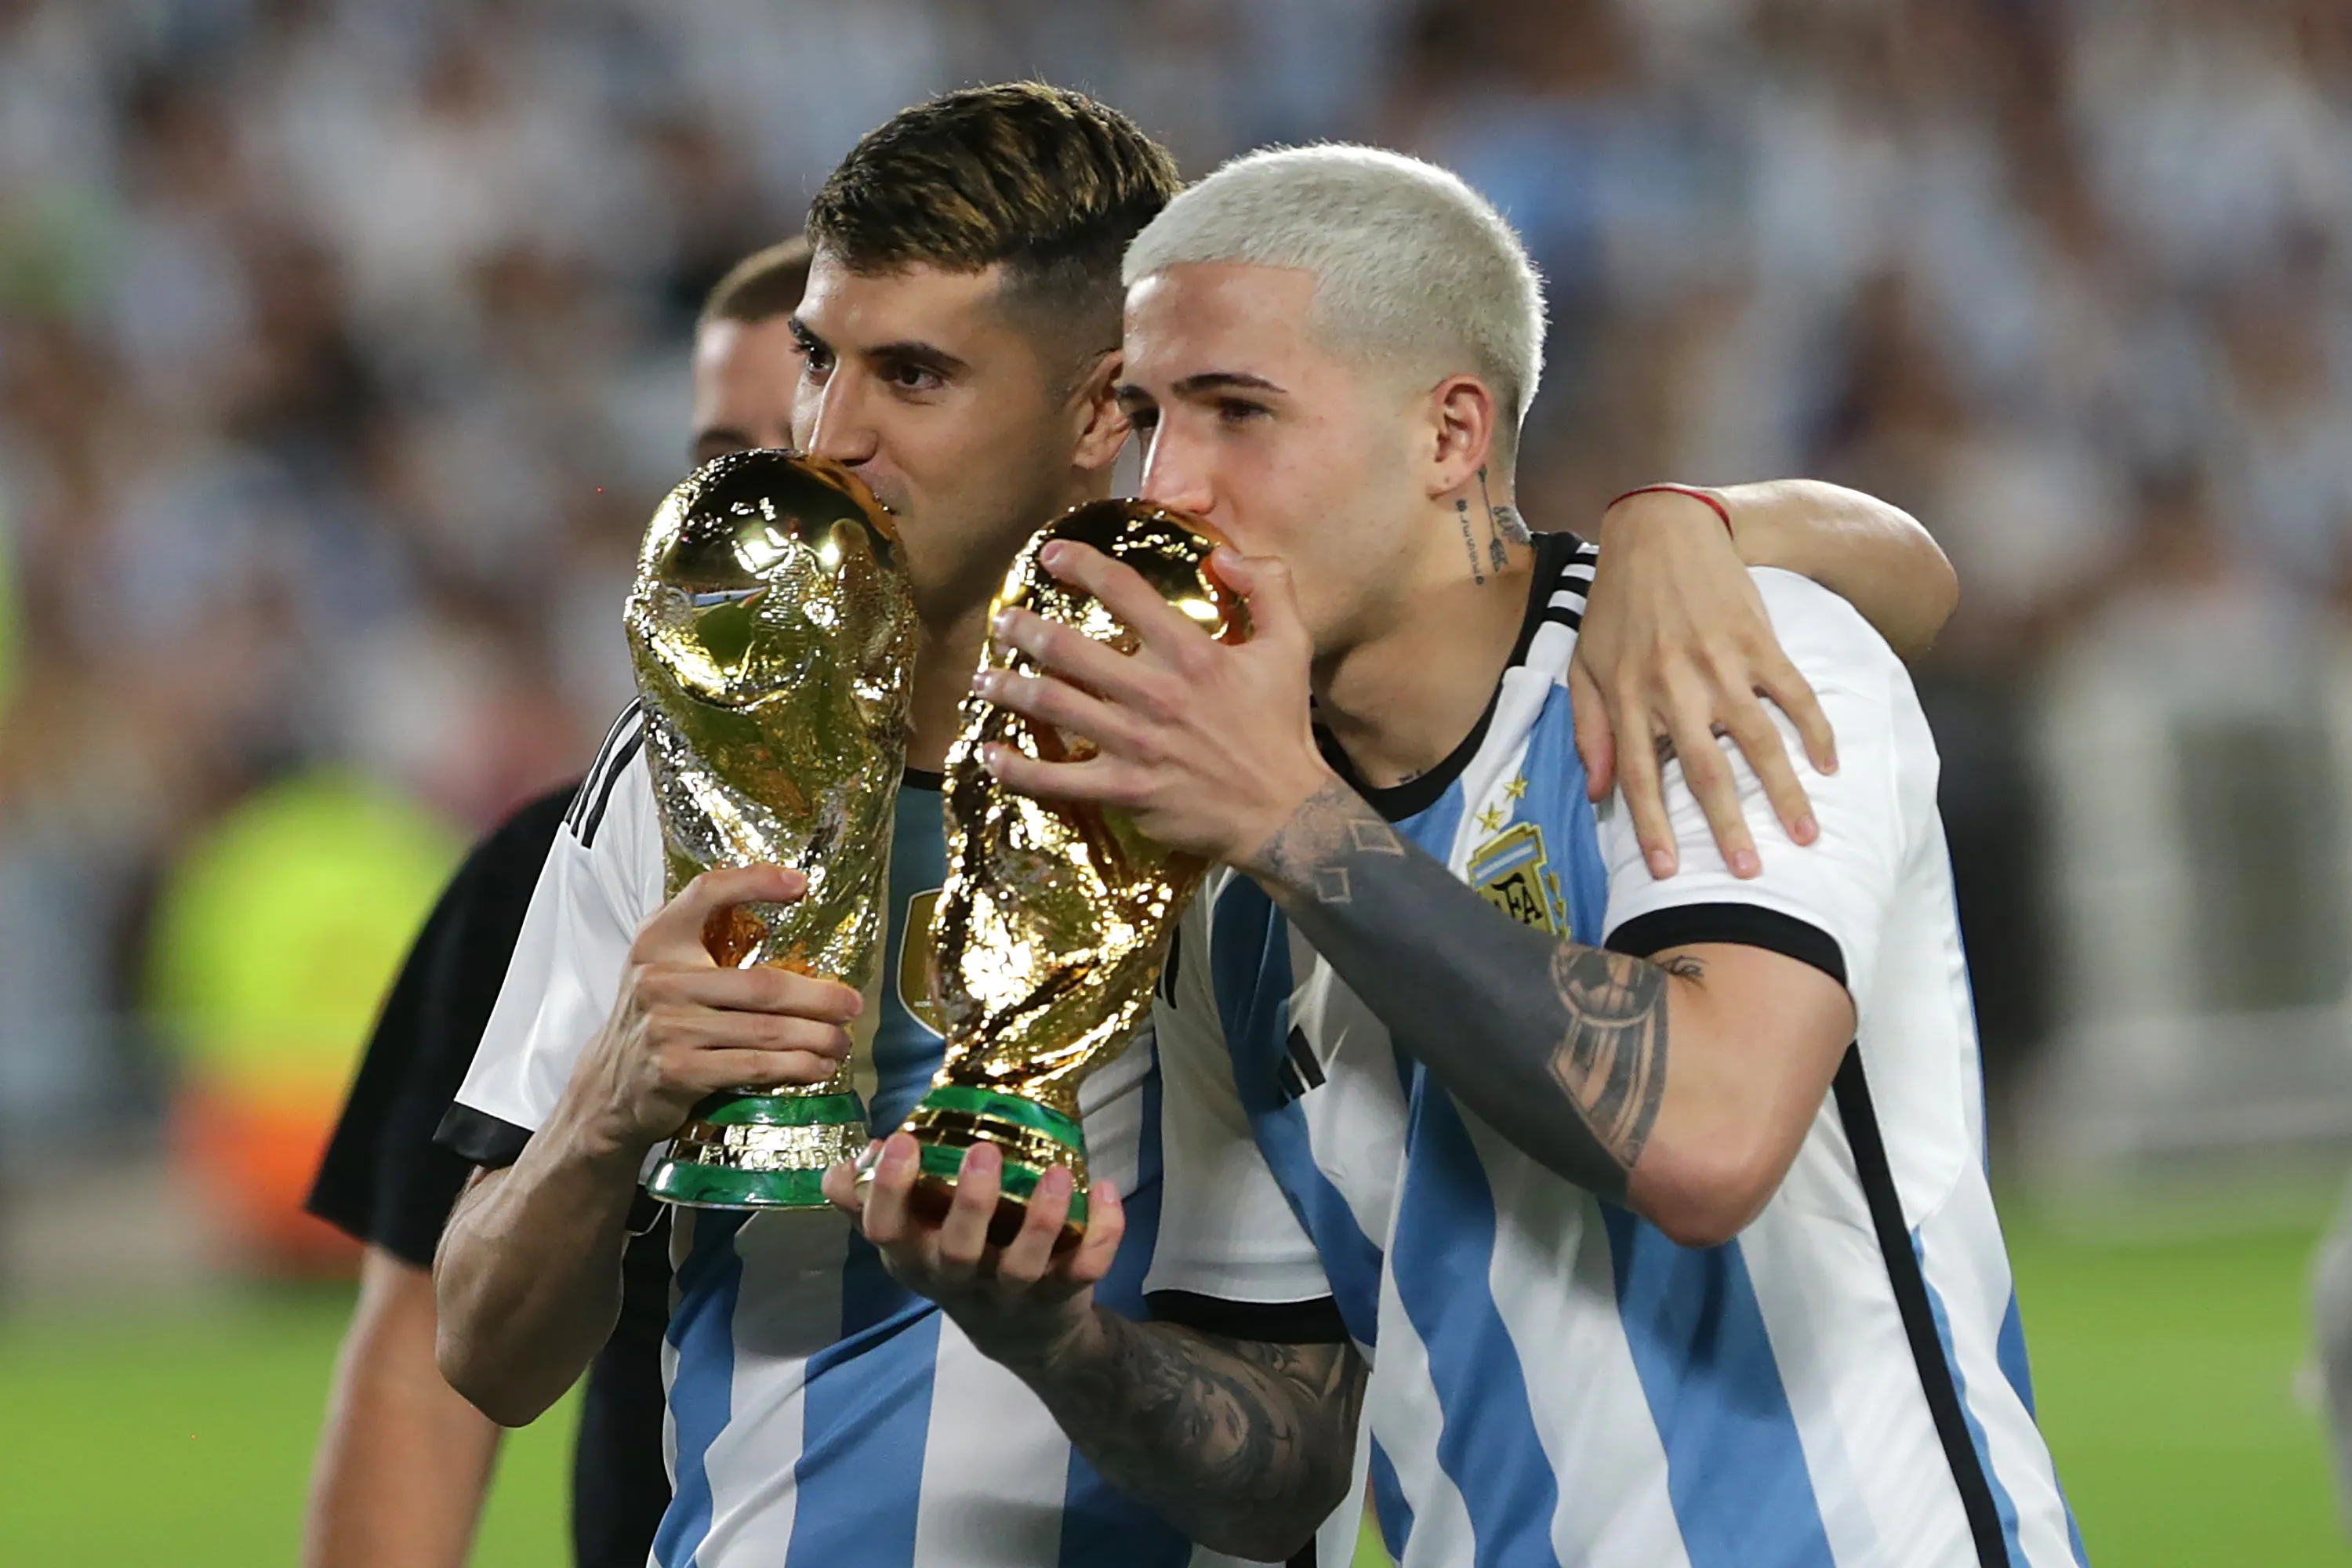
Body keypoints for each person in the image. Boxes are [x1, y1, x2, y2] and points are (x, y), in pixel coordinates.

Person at [434, 86, 1957, 1568]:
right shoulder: (694, 765)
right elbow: (483, 1350)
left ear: (1086, 411)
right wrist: (608, 1103)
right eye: (816, 363)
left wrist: (1688, 520)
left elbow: (1675, 1115)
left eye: (912, 377)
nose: (826, 436)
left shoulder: (1255, 797)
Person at [837, 145, 2082, 1568]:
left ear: (1448, 436)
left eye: (1239, 411)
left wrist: (1284, 819)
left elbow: (1711, 1137)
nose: (1167, 481)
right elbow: (1285, 1460)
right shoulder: (1213, 887)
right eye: (1143, 417)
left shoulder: (1724, 662)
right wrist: (1052, 1337)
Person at [301, 236, 812, 1568]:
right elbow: (426, 1362)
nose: (753, 504)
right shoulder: (561, 863)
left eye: (804, 440)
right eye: (717, 454)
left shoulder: (1127, 842)